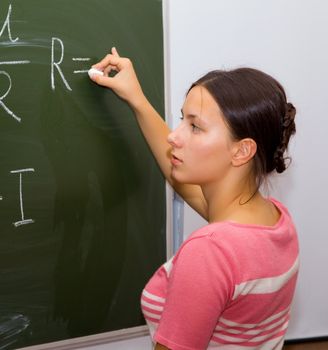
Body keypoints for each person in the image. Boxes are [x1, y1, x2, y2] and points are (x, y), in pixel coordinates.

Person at [90, 47, 299, 350]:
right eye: (181, 120)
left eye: (195, 127)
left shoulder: (209, 253)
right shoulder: (276, 222)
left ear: (242, 151)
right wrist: (136, 99)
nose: (174, 137)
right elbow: (183, 182)